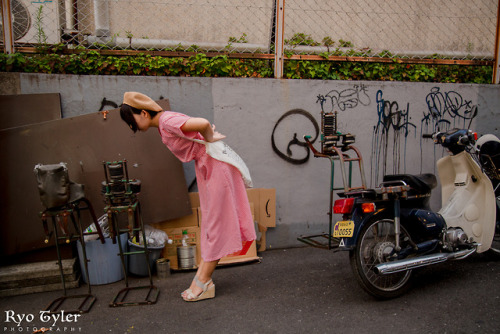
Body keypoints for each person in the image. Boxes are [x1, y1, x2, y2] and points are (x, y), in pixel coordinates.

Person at [120, 92, 256, 302]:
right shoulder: (164, 123)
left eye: (132, 121)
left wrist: (210, 138)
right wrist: (208, 138)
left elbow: (202, 123)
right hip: (208, 166)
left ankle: (204, 281)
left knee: (217, 224)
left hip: (214, 165)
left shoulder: (166, 121)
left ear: (144, 113)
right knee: (212, 224)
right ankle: (201, 279)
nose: (132, 127)